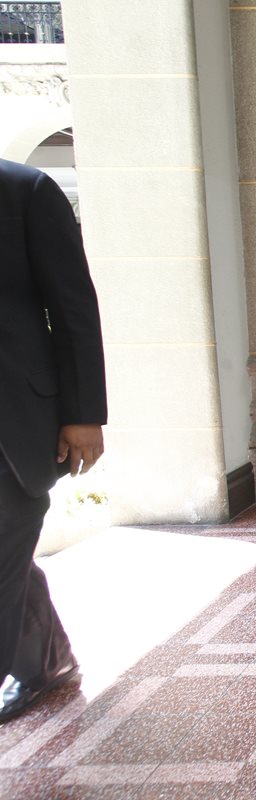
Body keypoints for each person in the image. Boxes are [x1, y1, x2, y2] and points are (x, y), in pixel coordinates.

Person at [0, 158, 106, 722]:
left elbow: (71, 307)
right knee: (9, 558)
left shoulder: (26, 191)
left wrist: (84, 412)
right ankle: (47, 661)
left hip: (12, 420)